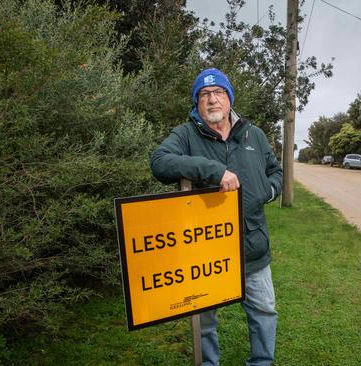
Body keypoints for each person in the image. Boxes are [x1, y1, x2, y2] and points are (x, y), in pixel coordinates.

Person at [150, 68, 283, 366]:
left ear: (229, 99)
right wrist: (214, 171)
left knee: (264, 312)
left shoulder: (254, 134)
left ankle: (261, 363)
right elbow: (159, 162)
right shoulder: (186, 134)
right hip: (205, 251)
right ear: (197, 103)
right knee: (205, 320)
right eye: (205, 95)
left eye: (219, 93)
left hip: (252, 247)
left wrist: (267, 192)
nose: (212, 100)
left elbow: (276, 172)